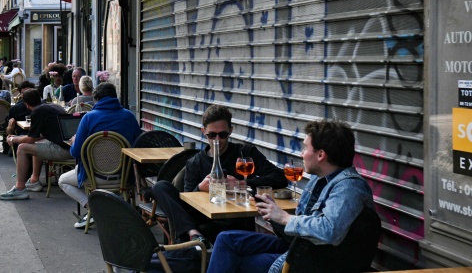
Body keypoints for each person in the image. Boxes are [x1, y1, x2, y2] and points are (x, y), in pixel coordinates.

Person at [205, 120, 375, 273]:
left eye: (305, 148)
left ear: (320, 155)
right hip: (298, 247)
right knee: (226, 239)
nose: (301, 154)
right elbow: (298, 230)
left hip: (317, 260)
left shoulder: (349, 187)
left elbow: (329, 230)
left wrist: (285, 217)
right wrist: (273, 214)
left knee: (235, 260)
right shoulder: (318, 179)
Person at [152, 104, 287, 245]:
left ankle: (192, 241)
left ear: (230, 131)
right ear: (203, 132)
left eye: (222, 134)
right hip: (204, 220)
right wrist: (200, 188)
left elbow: (280, 177)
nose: (217, 140)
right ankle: (194, 234)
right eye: (212, 135)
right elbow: (187, 199)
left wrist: (241, 184)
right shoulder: (195, 162)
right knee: (160, 187)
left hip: (235, 222)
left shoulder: (245, 153)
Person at [59, 81, 142, 228]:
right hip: (124, 176)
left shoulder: (89, 118)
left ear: (96, 99)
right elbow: (139, 145)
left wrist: (74, 142)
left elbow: (76, 152)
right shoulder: (129, 116)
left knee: (63, 181)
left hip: (94, 176)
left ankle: (93, 209)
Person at [0, 89, 70, 200]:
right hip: (70, 146)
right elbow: (40, 136)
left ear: (26, 104)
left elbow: (30, 139)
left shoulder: (37, 112)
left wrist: (13, 139)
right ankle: (34, 180)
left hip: (63, 149)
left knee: (22, 148)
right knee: (36, 145)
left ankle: (20, 188)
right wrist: (17, 138)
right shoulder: (53, 106)